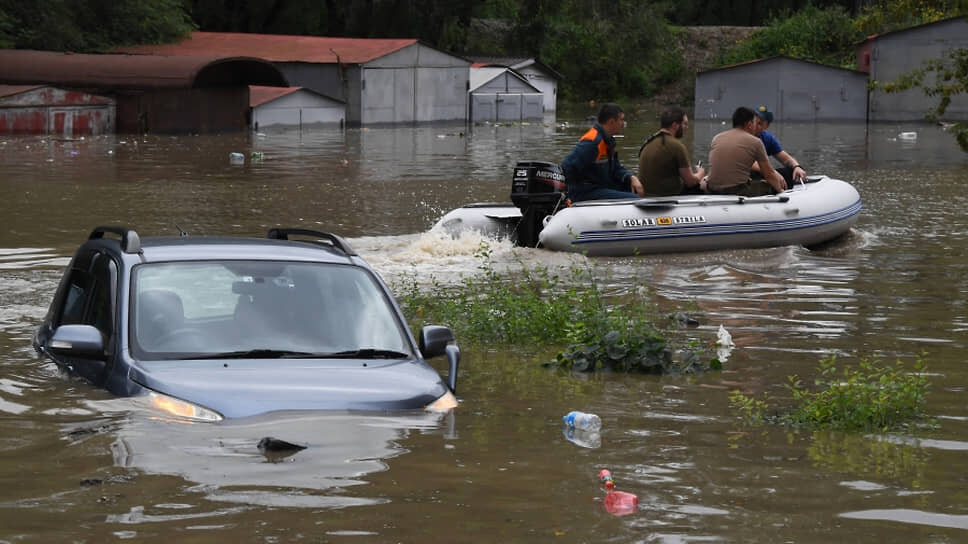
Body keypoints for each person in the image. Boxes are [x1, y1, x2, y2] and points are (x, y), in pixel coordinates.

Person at [560, 103, 644, 202]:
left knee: (637, 189)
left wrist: (631, 177)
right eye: (621, 120)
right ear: (612, 122)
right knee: (635, 199)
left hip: (601, 186)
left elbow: (616, 169)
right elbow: (566, 166)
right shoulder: (593, 142)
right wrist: (576, 191)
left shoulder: (608, 141)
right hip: (586, 192)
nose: (623, 123)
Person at [705, 107, 786, 196]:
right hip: (736, 191)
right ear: (750, 124)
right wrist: (781, 191)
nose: (756, 127)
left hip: (712, 189)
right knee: (769, 185)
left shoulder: (716, 138)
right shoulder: (755, 142)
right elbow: (769, 174)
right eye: (755, 123)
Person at [637, 107, 705, 196]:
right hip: (666, 197)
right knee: (704, 184)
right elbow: (690, 182)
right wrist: (701, 173)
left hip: (645, 195)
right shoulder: (676, 146)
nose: (686, 128)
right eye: (685, 124)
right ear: (675, 125)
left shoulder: (648, 142)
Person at [751, 105, 807, 185]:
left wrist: (796, 167)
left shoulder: (767, 138)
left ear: (766, 126)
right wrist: (772, 173)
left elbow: (786, 159)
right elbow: (747, 162)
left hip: (761, 173)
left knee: (790, 172)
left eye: (759, 123)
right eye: (753, 121)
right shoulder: (743, 135)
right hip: (741, 175)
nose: (754, 126)